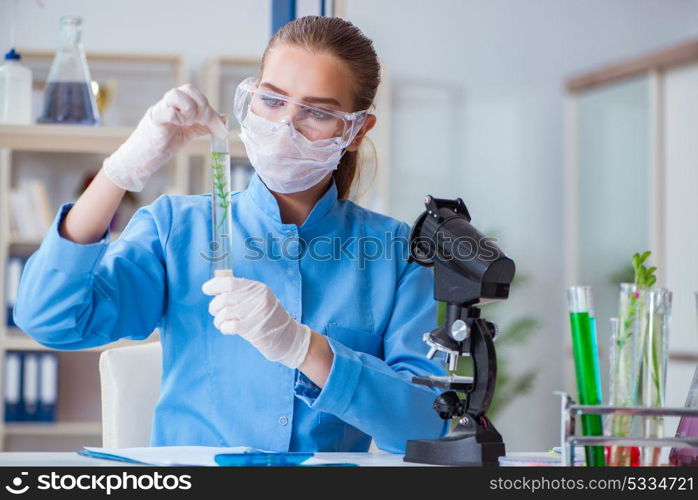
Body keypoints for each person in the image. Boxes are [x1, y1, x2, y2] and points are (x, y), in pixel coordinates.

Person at [14, 16, 447, 453]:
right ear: (251, 99)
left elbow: (427, 427)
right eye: (272, 101)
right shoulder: (175, 230)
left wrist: (306, 349)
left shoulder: (397, 254)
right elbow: (50, 320)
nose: (286, 126)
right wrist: (120, 172)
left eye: (318, 112)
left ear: (355, 131)